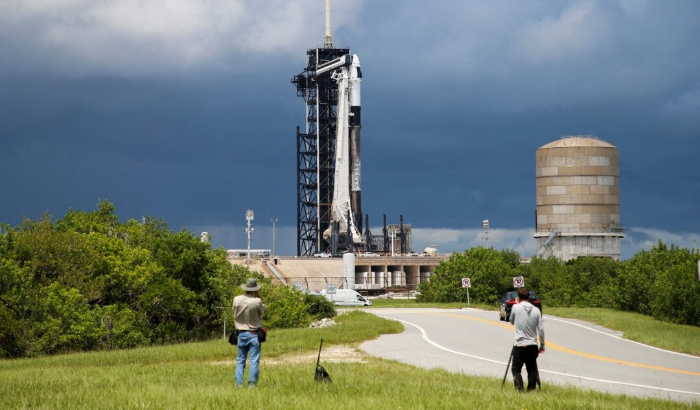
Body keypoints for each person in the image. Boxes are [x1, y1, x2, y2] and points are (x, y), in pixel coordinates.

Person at [509, 287, 545, 392]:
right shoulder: (536, 310)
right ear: (529, 297)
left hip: (519, 344)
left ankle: (519, 390)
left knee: (516, 370)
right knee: (532, 370)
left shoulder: (516, 307)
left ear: (518, 297)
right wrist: (542, 345)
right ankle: (531, 390)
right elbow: (541, 330)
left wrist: (516, 303)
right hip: (532, 344)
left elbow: (511, 321)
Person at [233, 277, 266, 387]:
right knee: (254, 361)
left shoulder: (236, 299)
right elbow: (264, 310)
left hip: (240, 333)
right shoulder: (257, 301)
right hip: (254, 333)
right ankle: (252, 385)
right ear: (254, 289)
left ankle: (239, 385)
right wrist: (259, 296)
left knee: (240, 361)